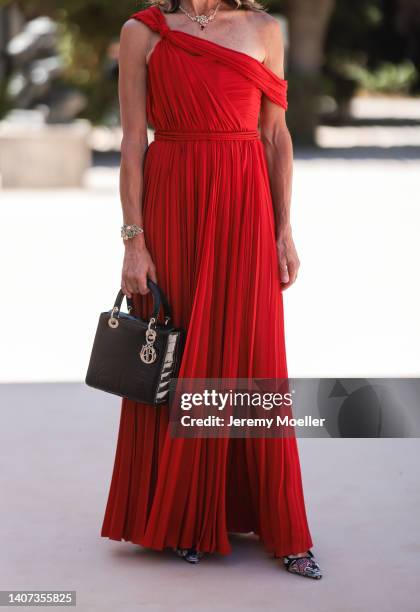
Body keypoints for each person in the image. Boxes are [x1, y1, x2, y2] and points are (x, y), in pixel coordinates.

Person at [100, 0, 322, 580]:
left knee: (252, 353)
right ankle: (183, 517)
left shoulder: (264, 30)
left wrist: (283, 231)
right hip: (172, 203)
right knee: (179, 352)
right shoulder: (142, 33)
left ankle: (278, 522)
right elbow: (131, 141)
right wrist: (132, 241)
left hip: (245, 206)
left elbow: (275, 134)